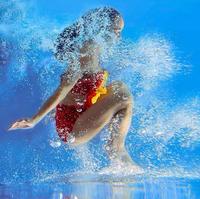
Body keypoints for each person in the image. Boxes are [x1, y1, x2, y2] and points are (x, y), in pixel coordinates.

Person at [8, 7, 137, 165]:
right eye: (116, 31)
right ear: (101, 27)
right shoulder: (87, 52)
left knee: (119, 87)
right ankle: (116, 149)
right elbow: (64, 88)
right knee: (123, 95)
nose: (118, 37)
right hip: (72, 127)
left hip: (80, 114)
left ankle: (115, 148)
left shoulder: (94, 48)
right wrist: (34, 119)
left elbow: (79, 88)